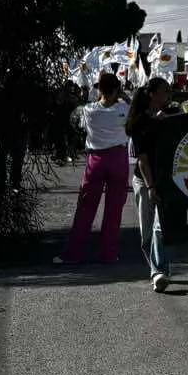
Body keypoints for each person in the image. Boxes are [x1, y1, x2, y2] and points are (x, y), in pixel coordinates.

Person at [59, 71, 132, 266]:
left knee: (85, 208)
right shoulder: (124, 108)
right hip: (118, 158)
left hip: (96, 159)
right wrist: (122, 96)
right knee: (114, 210)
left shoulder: (89, 110)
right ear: (116, 89)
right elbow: (131, 112)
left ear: (99, 89)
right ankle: (109, 254)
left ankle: (73, 253)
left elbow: (78, 124)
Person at [126, 76, 178, 291]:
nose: (169, 95)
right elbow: (143, 159)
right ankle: (158, 267)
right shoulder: (139, 123)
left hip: (165, 180)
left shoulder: (170, 115)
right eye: (165, 91)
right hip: (144, 181)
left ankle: (159, 272)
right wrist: (150, 187)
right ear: (152, 94)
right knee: (147, 233)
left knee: (159, 228)